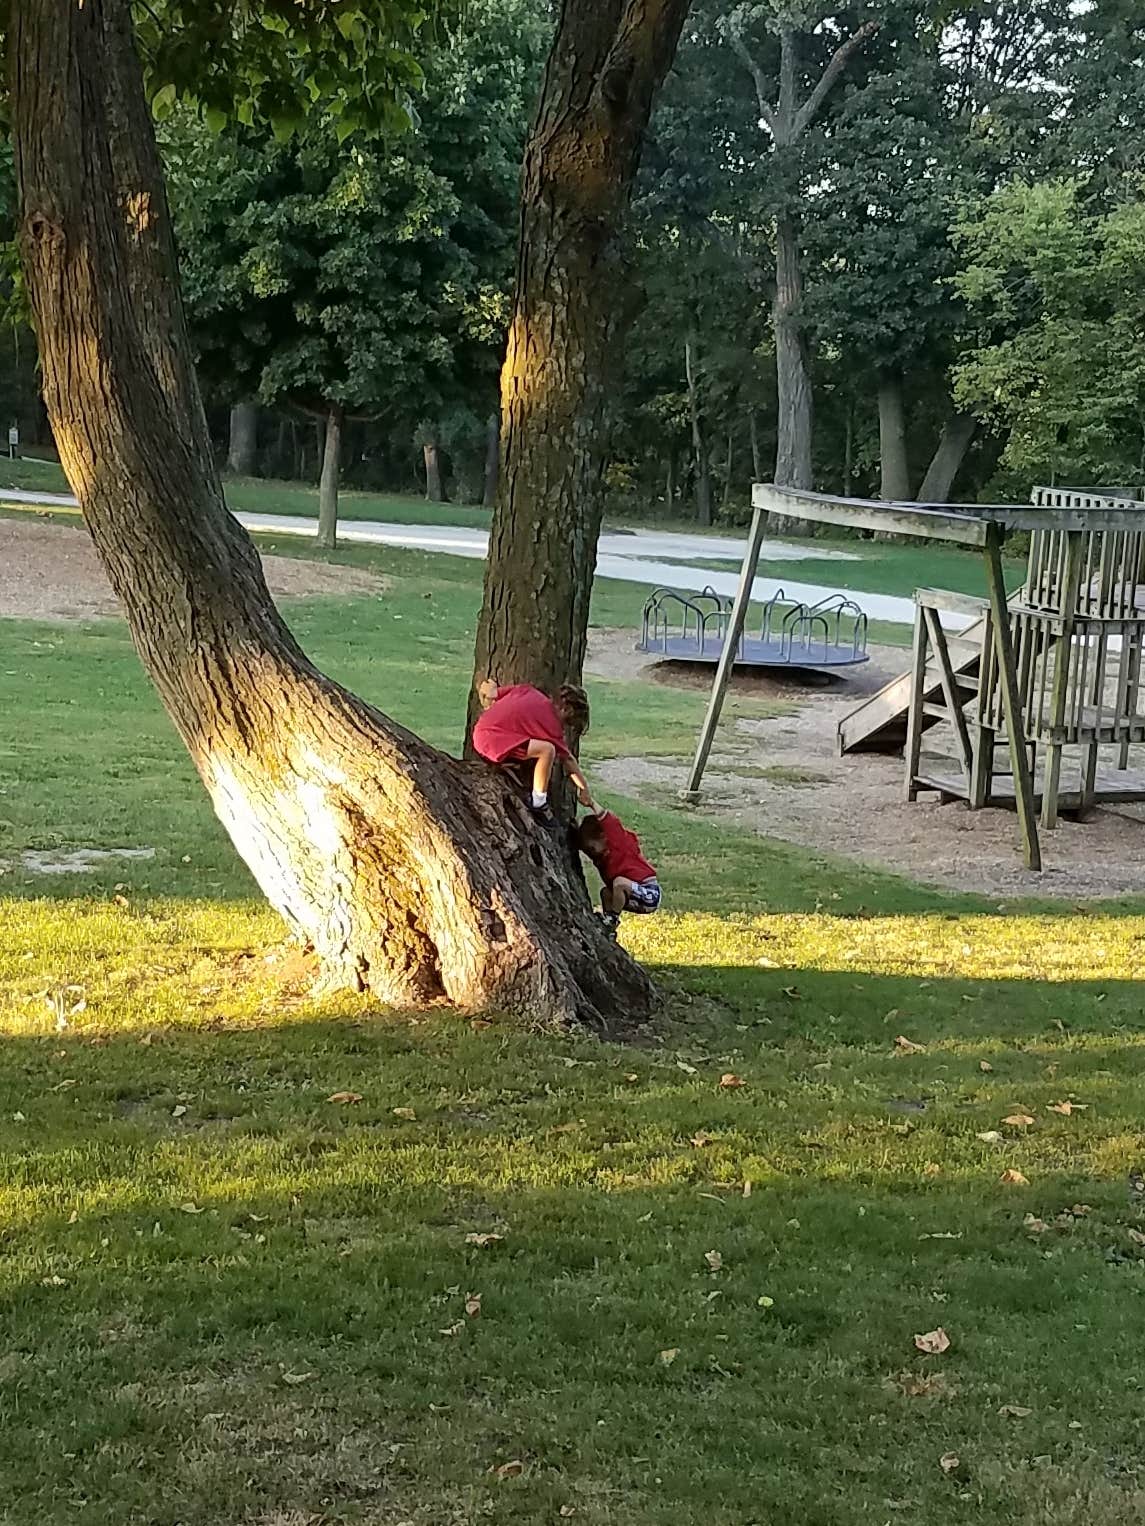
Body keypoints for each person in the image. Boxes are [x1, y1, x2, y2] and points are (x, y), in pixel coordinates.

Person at [472, 679, 593, 816]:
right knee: (548, 750)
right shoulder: (552, 725)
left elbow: (493, 694)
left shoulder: (527, 690)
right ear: (567, 710)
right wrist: (584, 789)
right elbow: (568, 760)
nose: (565, 727)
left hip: (481, 731)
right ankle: (539, 801)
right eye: (568, 722)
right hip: (490, 742)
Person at [577, 802, 660, 930]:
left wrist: (592, 804)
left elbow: (611, 823)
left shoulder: (620, 844)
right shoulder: (600, 857)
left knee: (619, 882)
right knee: (605, 892)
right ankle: (608, 927)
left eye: (592, 848)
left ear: (603, 836)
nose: (590, 852)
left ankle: (613, 918)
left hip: (649, 894)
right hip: (630, 897)